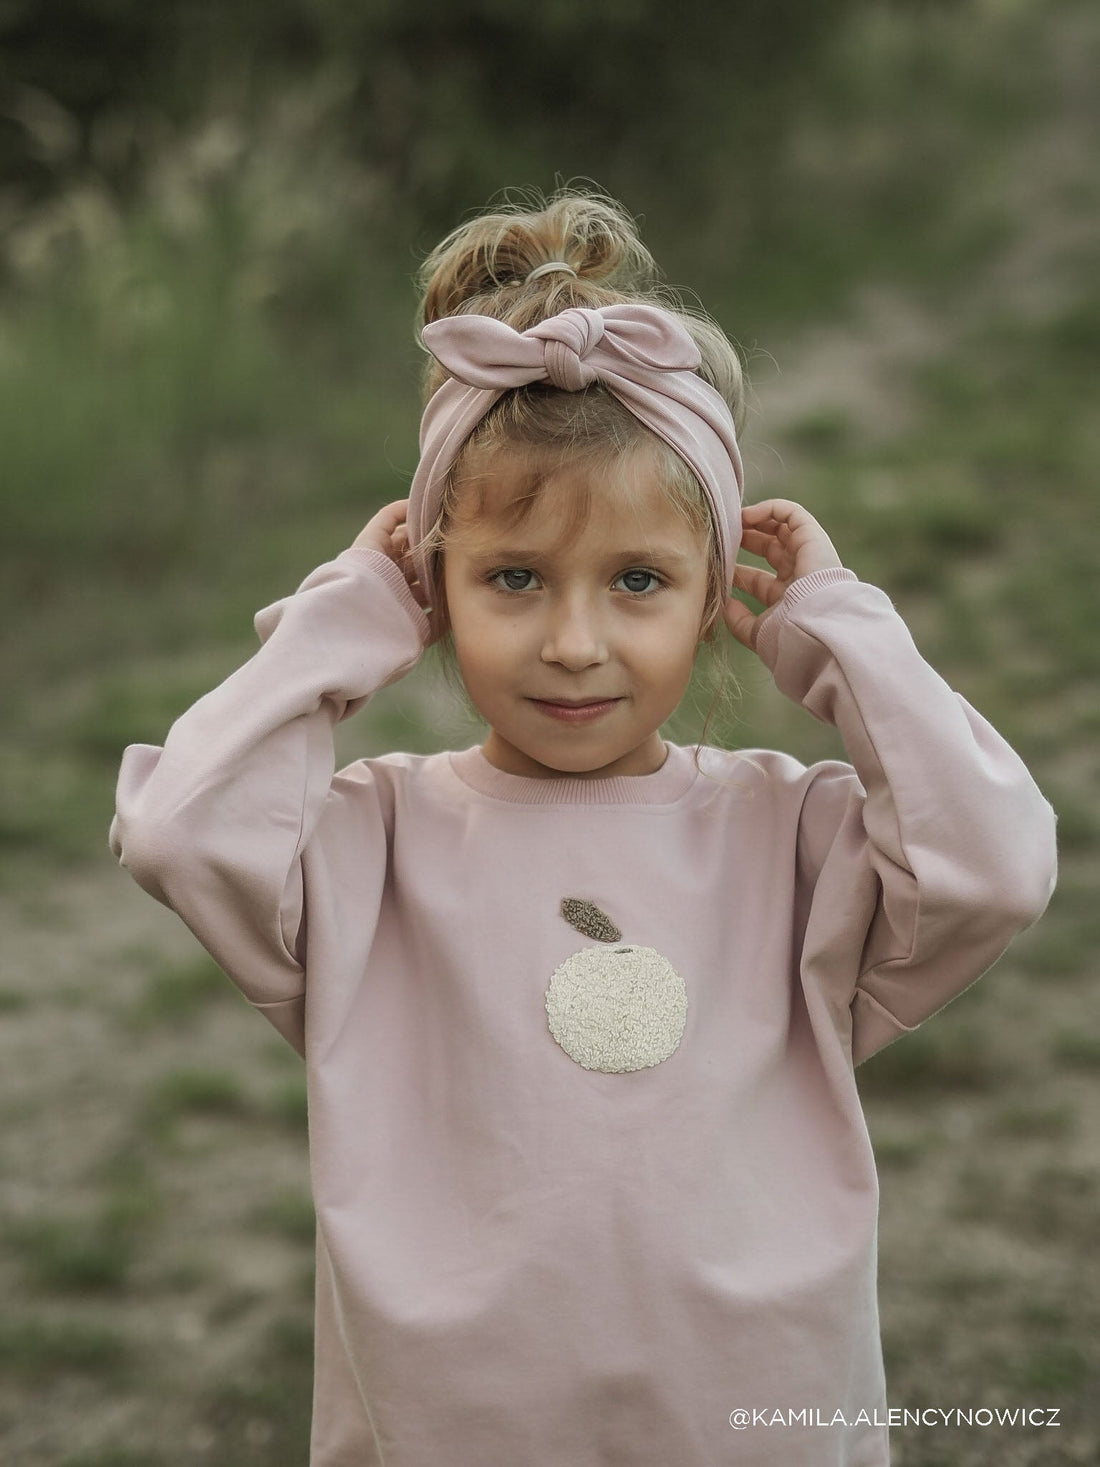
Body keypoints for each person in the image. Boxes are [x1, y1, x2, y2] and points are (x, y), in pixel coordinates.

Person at [110, 189, 1057, 1467]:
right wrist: (340, 627)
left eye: (637, 581)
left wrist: (844, 639)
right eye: (510, 578)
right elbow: (177, 830)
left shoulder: (789, 841)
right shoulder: (366, 851)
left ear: (715, 592)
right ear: (430, 587)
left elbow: (994, 866)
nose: (571, 642)